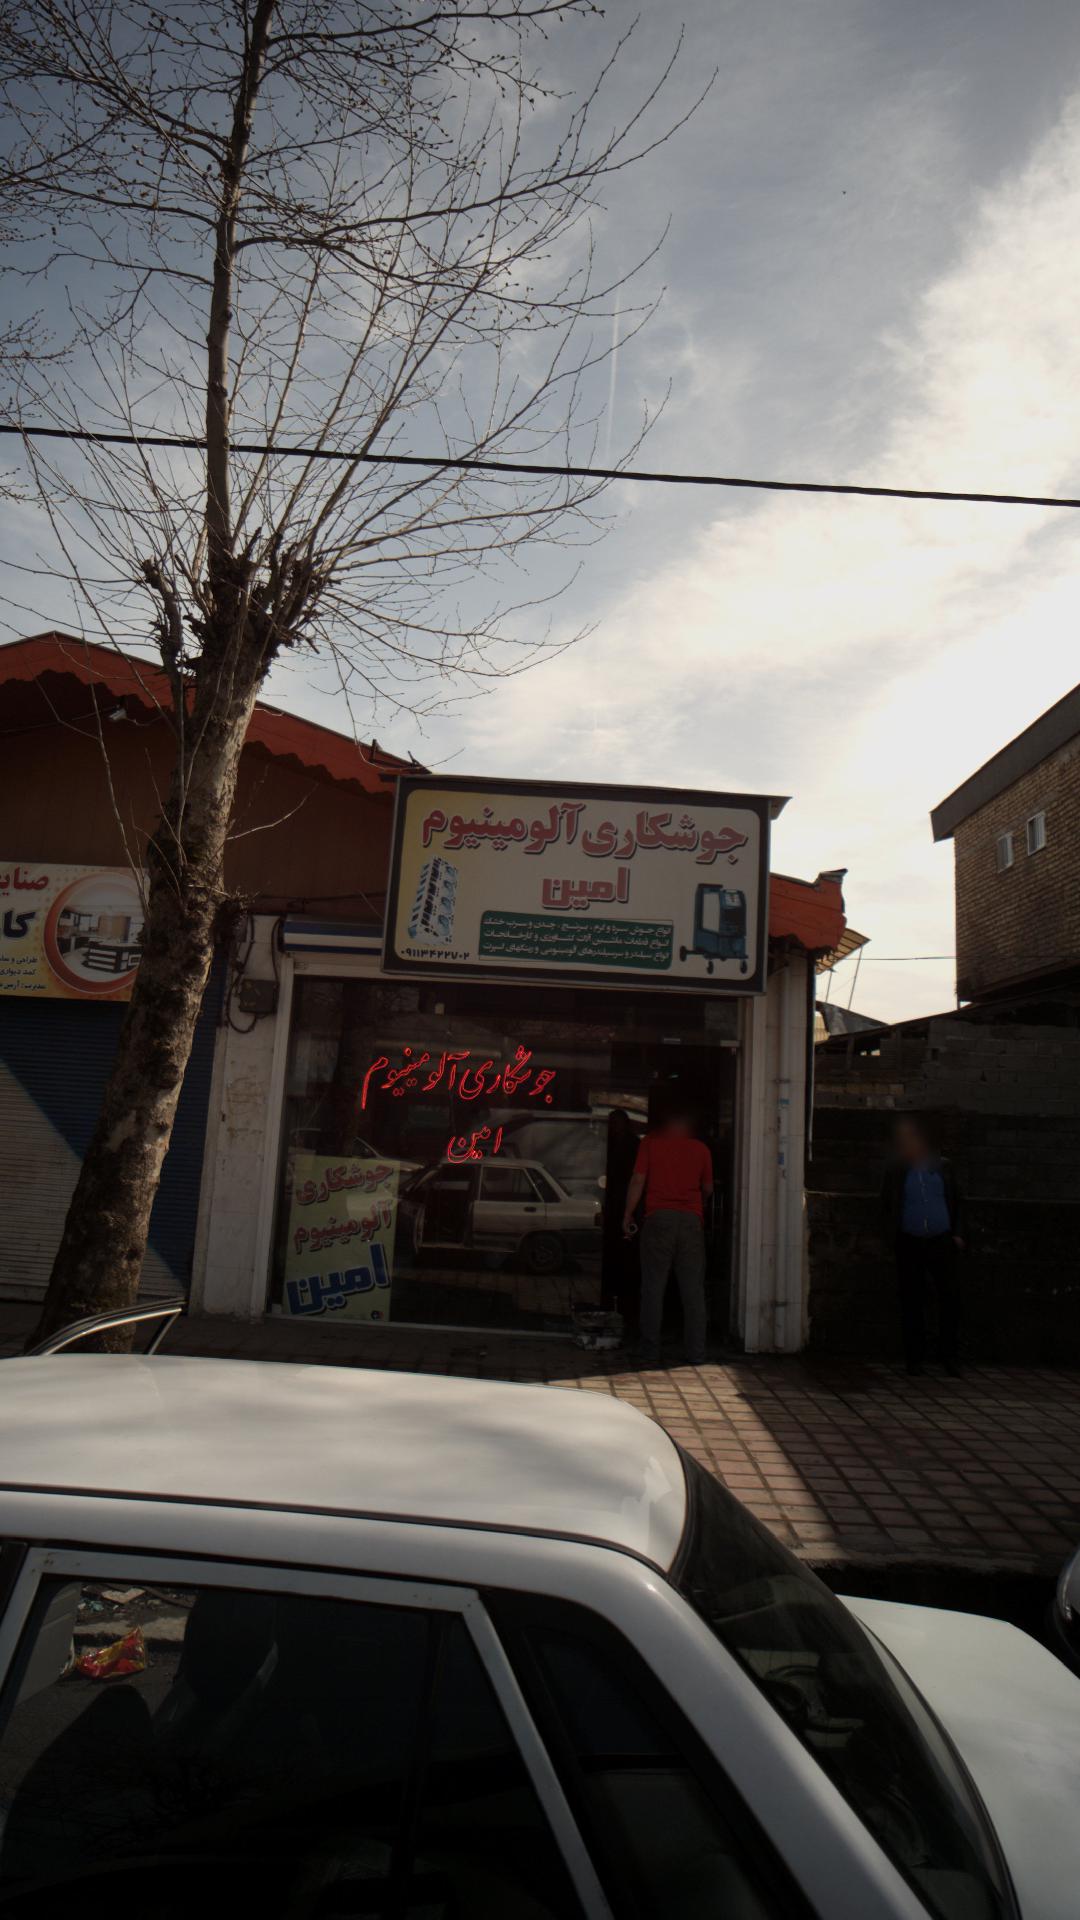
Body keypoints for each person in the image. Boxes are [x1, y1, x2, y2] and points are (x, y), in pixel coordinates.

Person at [623, 1109, 713, 1366]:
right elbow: (708, 1188)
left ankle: (650, 1350)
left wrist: (628, 1213)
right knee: (693, 1290)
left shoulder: (650, 1144)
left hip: (658, 1219)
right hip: (691, 1222)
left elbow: (638, 1180)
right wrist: (696, 1206)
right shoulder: (701, 1149)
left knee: (653, 1287)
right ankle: (696, 1353)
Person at [880, 1117, 965, 1377]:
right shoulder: (897, 1170)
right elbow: (887, 1203)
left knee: (949, 1299)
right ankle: (914, 1358)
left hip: (941, 1240)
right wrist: (892, 1236)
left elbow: (959, 1201)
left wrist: (958, 1234)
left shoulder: (943, 1167)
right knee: (912, 1300)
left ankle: (949, 1356)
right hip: (910, 1240)